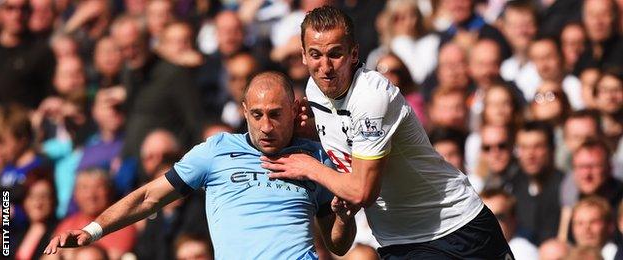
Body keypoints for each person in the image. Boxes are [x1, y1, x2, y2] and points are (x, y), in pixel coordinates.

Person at [262, 6, 512, 259]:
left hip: (457, 227)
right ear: (303, 55)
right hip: (397, 242)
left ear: (354, 53)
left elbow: (362, 191)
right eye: (315, 55)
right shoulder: (314, 91)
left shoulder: (371, 96)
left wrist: (309, 166)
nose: (325, 67)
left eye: (335, 54)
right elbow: (347, 136)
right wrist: (315, 131)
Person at [45, 72, 357, 259]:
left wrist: (343, 218)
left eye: (275, 114)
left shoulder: (316, 158)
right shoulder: (217, 150)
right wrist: (92, 231)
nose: (265, 126)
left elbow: (339, 245)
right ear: (244, 111)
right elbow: (148, 197)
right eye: (257, 114)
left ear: (293, 110)